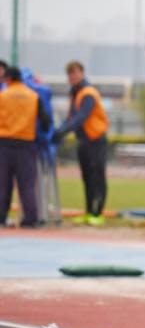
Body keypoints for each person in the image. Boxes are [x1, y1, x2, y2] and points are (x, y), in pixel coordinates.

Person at [52, 61, 110, 226]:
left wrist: (62, 131)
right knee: (87, 177)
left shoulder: (88, 93)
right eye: (70, 74)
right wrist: (59, 131)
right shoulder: (75, 93)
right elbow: (71, 118)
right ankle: (89, 212)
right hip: (83, 140)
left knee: (97, 176)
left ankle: (98, 213)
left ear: (82, 73)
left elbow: (81, 117)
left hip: (96, 140)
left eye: (75, 73)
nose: (72, 77)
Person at [0, 67, 51, 227]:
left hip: (4, 144)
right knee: (27, 184)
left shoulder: (3, 95)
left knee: (3, 184)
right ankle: (30, 219)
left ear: (8, 79)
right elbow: (46, 121)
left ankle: (1, 217)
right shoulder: (33, 96)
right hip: (26, 145)